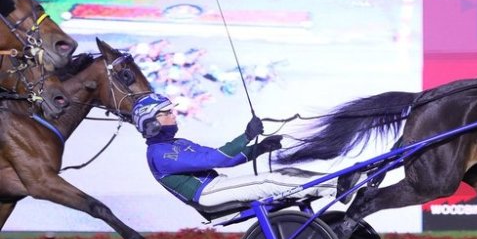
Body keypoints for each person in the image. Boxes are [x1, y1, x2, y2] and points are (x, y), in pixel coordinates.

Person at [133, 93, 337, 208]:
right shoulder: (158, 154)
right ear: (150, 122)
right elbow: (215, 158)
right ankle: (336, 188)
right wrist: (246, 136)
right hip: (206, 193)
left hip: (217, 184)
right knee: (266, 182)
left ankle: (336, 182)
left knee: (283, 175)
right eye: (167, 113)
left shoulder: (177, 143)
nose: (174, 116)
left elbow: (226, 160)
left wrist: (258, 149)